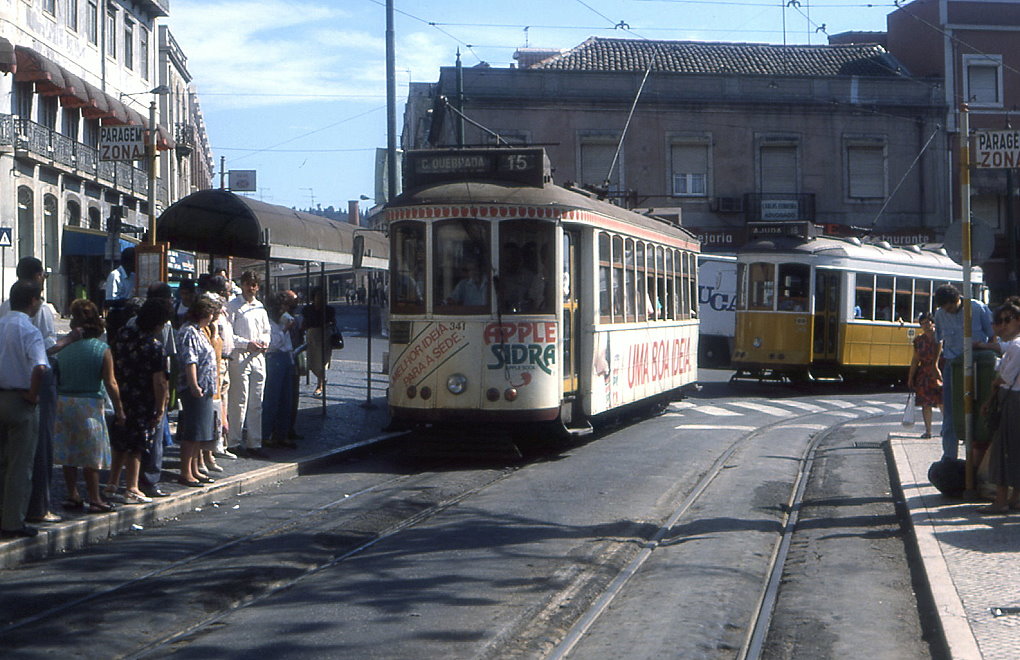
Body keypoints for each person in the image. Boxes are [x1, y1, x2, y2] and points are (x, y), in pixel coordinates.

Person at [0, 257, 78, 525]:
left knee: (4, 460)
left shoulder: (2, 312)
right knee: (29, 457)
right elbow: (42, 363)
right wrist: (33, 395)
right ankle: (26, 514)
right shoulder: (36, 317)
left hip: (2, 394)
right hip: (25, 394)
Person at [53, 299, 125, 514]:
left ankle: (72, 494)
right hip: (89, 404)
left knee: (69, 452)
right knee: (91, 454)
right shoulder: (102, 349)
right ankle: (95, 498)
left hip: (64, 402)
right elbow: (110, 383)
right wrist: (120, 409)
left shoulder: (64, 350)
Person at [107, 297, 172, 505]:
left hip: (121, 393)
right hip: (143, 398)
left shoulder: (123, 335)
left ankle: (112, 484)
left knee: (119, 441)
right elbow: (159, 381)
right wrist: (161, 408)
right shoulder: (154, 346)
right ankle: (132, 488)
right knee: (137, 444)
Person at [0, 281, 50, 538]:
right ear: (32, 301)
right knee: (19, 465)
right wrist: (32, 395)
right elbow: (40, 367)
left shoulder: (0, 323)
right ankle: (12, 521)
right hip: (20, 400)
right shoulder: (29, 331)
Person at [933, 284, 994, 461]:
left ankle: (975, 458)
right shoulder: (939, 315)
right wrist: (934, 364)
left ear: (957, 299)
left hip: (978, 364)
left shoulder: (977, 308)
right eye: (945, 308)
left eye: (950, 307)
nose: (948, 311)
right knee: (951, 412)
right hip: (953, 366)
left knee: (977, 408)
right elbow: (939, 340)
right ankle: (949, 457)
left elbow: (992, 335)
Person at [978, 303, 1020, 514]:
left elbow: (1004, 378)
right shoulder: (1013, 346)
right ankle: (1015, 498)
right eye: (999, 321)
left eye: (1007, 320)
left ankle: (1001, 500)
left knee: (1003, 450)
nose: (1002, 326)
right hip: (1013, 398)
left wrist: (991, 395)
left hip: (1012, 400)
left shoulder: (1016, 347)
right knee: (1016, 450)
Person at [225, 271, 270, 458]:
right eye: (247, 284)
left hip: (258, 357)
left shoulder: (259, 307)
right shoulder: (233, 306)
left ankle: (254, 443)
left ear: (257, 287)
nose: (250, 288)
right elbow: (228, 335)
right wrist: (246, 344)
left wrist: (265, 342)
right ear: (242, 285)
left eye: (253, 284)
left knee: (256, 401)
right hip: (241, 356)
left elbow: (267, 330)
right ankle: (234, 442)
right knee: (239, 401)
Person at [175, 296, 220, 485]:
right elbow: (190, 360)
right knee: (192, 431)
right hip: (195, 387)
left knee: (200, 432)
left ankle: (194, 469)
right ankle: (186, 471)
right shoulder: (188, 332)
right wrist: (194, 385)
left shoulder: (201, 331)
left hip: (206, 386)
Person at [262, 292, 296, 448]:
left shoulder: (283, 320)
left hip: (287, 357)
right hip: (275, 358)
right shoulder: (269, 323)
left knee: (286, 398)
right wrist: (284, 330)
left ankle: (282, 434)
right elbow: (272, 344)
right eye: (282, 307)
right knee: (272, 398)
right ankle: (266, 433)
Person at [908, 312, 943, 439]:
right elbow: (915, 359)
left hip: (939, 372)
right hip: (924, 373)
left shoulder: (940, 337)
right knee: (926, 403)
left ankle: (946, 428)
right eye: (922, 324)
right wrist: (911, 377)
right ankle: (928, 431)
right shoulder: (918, 340)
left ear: (932, 323)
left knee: (942, 402)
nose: (925, 326)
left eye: (927, 323)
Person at [302, 288, 336, 398]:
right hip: (312, 337)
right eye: (318, 296)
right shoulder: (307, 309)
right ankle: (322, 379)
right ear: (313, 297)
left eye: (323, 296)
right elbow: (305, 323)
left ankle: (319, 385)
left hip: (325, 337)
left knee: (322, 362)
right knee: (312, 363)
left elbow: (333, 323)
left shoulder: (329, 310)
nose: (320, 299)